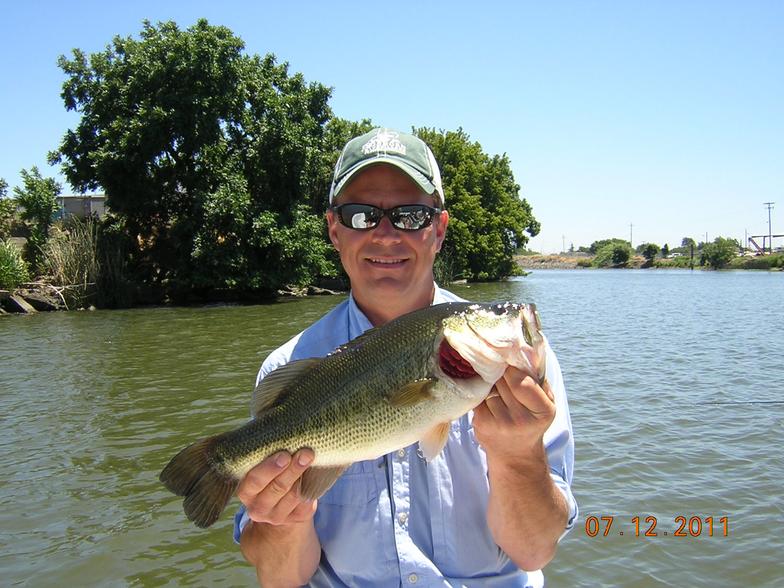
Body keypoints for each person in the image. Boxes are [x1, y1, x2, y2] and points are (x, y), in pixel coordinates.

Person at [233, 128, 577, 587]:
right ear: (334, 230)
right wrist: (284, 520)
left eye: (411, 215)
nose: (385, 235)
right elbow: (281, 580)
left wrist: (518, 457)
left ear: (438, 230)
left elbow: (535, 549)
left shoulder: (522, 367)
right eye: (360, 216)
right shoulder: (289, 368)